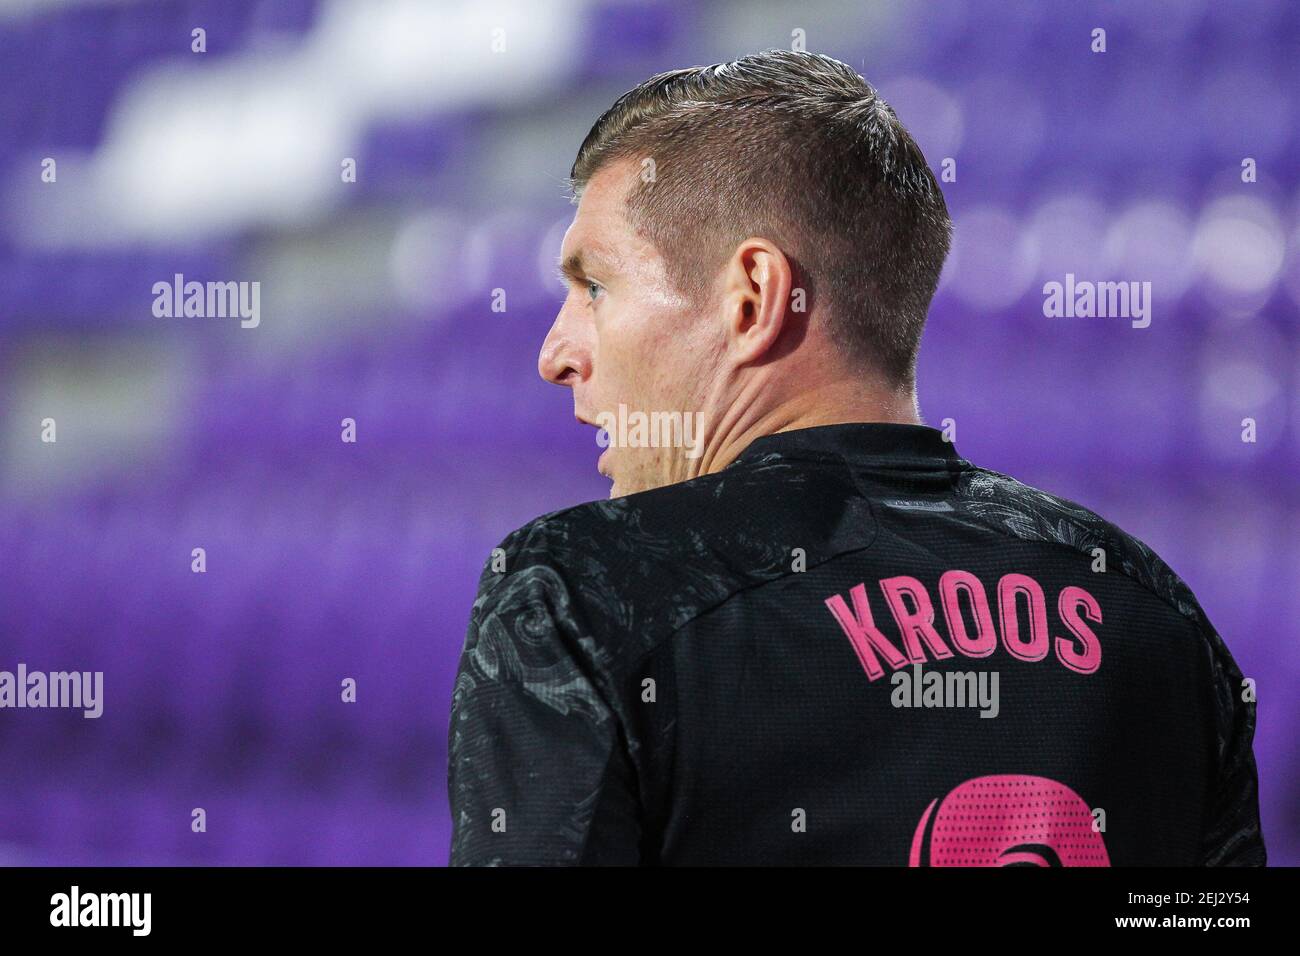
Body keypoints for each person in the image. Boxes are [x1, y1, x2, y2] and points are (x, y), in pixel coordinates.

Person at [446, 50, 1265, 866]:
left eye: (594, 286)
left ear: (754, 299)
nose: (556, 353)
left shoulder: (580, 594)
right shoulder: (1151, 610)